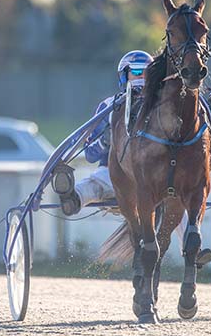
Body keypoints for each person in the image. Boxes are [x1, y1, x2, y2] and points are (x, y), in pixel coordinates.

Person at [58, 50, 153, 216]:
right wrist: (105, 141)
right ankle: (73, 199)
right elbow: (89, 154)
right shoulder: (110, 106)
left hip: (152, 178)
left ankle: (191, 239)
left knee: (176, 199)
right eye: (136, 72)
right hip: (114, 176)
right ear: (124, 76)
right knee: (93, 183)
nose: (141, 77)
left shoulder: (162, 106)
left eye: (146, 73)